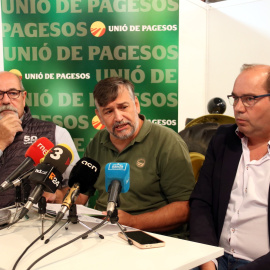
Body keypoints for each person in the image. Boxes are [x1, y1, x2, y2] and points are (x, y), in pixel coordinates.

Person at [76, 77, 195, 238]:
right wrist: (58, 199)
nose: (118, 118)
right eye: (109, 111)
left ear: (136, 104)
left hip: (154, 240)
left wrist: (134, 222)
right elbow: (81, 196)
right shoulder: (97, 143)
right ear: (99, 116)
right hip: (102, 236)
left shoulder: (167, 141)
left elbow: (184, 209)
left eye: (123, 107)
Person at [189, 64, 270, 270]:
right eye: (235, 98)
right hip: (214, 259)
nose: (238, 107)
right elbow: (201, 203)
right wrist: (207, 260)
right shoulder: (224, 139)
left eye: (250, 99)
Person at [0, 70, 80, 209]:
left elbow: (77, 189)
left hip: (38, 227)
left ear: (23, 97)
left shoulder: (55, 133)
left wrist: (58, 196)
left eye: (13, 93)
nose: (6, 100)